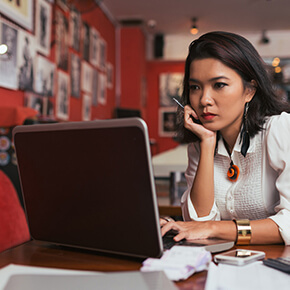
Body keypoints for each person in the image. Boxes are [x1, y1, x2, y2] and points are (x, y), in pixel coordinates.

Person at [161, 31, 290, 246]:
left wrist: (214, 228)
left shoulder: (280, 129)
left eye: (219, 85)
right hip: (226, 264)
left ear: (249, 90)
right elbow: (198, 223)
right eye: (195, 87)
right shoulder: (200, 145)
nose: (204, 100)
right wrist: (208, 142)